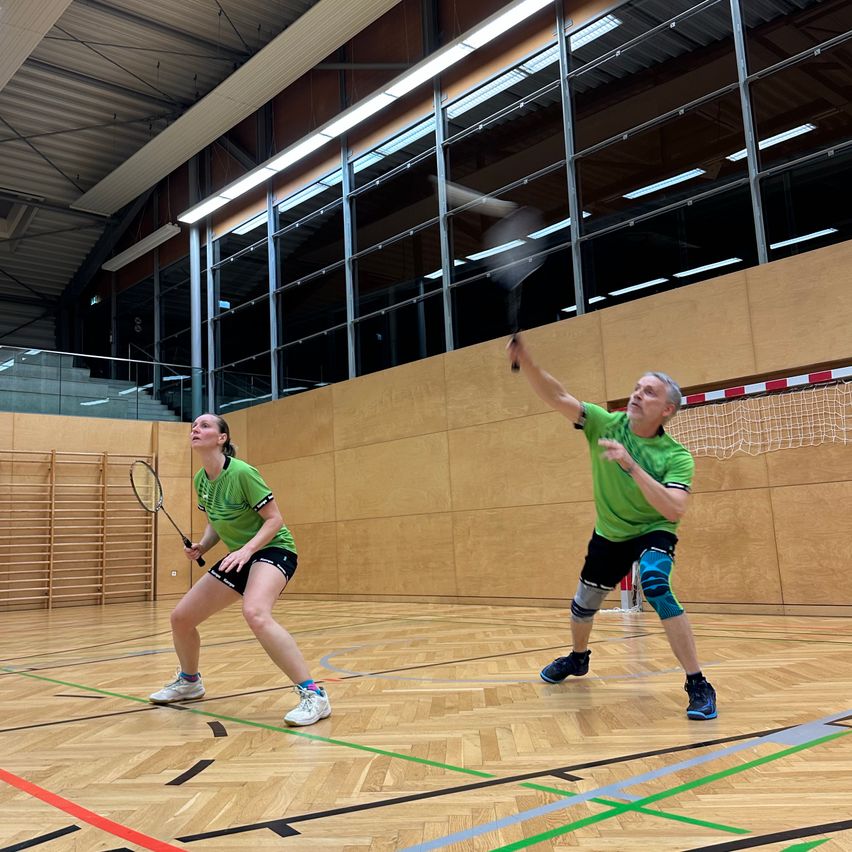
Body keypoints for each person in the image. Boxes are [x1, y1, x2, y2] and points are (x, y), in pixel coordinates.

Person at [507, 335, 716, 720]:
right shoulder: (605, 423)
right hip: (610, 532)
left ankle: (698, 683)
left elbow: (673, 508)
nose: (637, 394)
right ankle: (578, 657)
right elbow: (558, 397)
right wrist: (530, 364)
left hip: (654, 527)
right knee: (583, 605)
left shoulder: (676, 456)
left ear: (667, 410)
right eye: (636, 388)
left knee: (655, 586)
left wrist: (630, 465)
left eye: (649, 392)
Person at [148, 413, 331, 727]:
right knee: (181, 618)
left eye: (205, 425)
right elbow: (216, 523)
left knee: (256, 612)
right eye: (194, 425)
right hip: (239, 557)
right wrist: (203, 547)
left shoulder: (243, 473)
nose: (196, 428)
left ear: (222, 438)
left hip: (273, 549)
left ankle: (314, 695)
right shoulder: (201, 479)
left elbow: (275, 520)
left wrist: (247, 549)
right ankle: (190, 681)